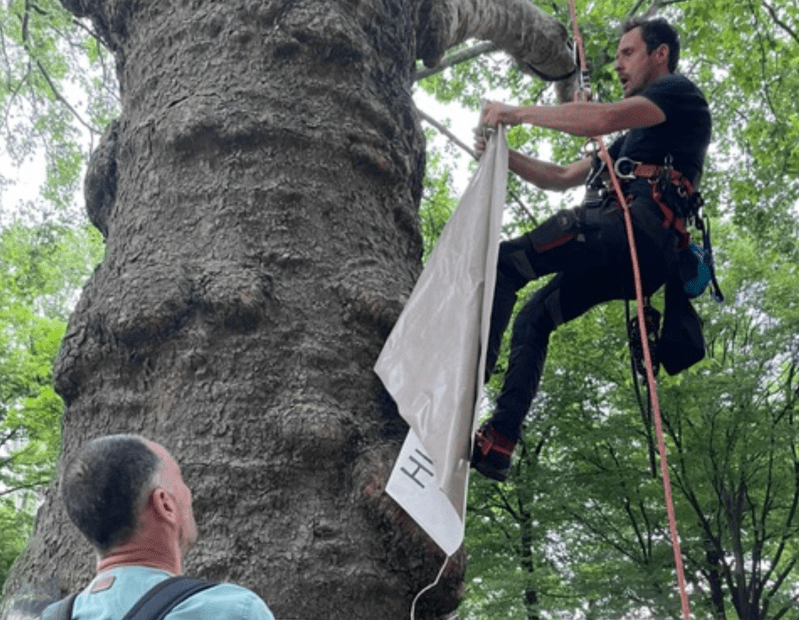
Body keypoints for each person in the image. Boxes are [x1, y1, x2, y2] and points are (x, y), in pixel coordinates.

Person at [471, 17, 711, 481]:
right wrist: (501, 153)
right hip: (626, 254)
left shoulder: (679, 95)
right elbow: (560, 177)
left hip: (631, 233)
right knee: (534, 318)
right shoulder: (629, 141)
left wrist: (513, 112)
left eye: (627, 53)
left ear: (660, 54)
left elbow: (597, 119)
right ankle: (499, 441)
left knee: (508, 262)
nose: (618, 65)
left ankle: (464, 391)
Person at [49, 434, 274, 619]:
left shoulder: (49, 617)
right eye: (180, 478)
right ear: (165, 504)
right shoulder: (232, 611)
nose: (189, 493)